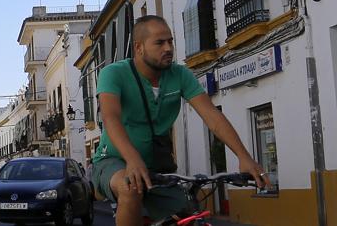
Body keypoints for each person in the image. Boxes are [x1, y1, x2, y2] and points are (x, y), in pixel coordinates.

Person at [92, 15, 268, 226]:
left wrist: (244, 157)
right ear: (139, 47)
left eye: (170, 41)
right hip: (114, 161)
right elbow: (111, 118)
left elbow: (212, 116)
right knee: (130, 188)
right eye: (159, 42)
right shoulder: (113, 74)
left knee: (186, 217)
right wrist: (132, 159)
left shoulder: (180, 75)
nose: (168, 48)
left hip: (157, 168)